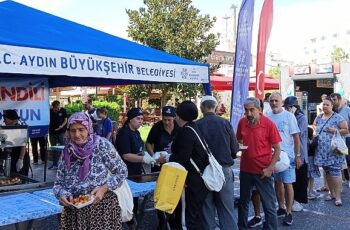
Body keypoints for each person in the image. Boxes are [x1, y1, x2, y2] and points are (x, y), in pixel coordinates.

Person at [53, 112, 127, 230]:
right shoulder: (67, 151)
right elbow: (58, 184)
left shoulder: (101, 145)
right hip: (74, 213)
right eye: (73, 130)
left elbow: (122, 171)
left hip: (102, 210)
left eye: (81, 129)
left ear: (89, 128)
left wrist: (104, 188)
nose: (77, 135)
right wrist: (61, 194)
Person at [236, 97, 281, 230]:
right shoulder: (242, 122)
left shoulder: (268, 124)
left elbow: (277, 149)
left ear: (259, 110)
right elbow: (238, 140)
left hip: (263, 170)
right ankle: (242, 227)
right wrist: (238, 146)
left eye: (252, 110)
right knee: (243, 202)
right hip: (245, 169)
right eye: (246, 110)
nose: (248, 114)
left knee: (269, 205)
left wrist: (270, 168)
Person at [196, 95, 239, 230]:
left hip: (204, 172)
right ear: (215, 107)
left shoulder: (197, 125)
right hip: (224, 169)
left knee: (207, 209)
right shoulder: (225, 123)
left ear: (202, 108)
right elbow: (235, 149)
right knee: (227, 210)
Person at [166, 100, 209, 229]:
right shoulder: (194, 127)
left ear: (179, 116)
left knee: (187, 218)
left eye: (176, 115)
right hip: (200, 179)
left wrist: (167, 157)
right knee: (196, 216)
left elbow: (182, 158)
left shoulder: (186, 132)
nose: (175, 118)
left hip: (190, 181)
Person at [114, 108, 155, 229]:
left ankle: (133, 221)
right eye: (138, 119)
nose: (141, 121)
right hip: (125, 173)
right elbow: (126, 155)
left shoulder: (136, 133)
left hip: (136, 171)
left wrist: (143, 155)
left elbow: (138, 151)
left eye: (142, 119)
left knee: (134, 201)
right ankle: (125, 224)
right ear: (130, 119)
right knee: (125, 200)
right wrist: (143, 159)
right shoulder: (123, 133)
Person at [267, 92, 301, 226]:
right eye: (272, 101)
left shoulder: (289, 116)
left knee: (288, 183)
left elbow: (296, 137)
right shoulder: (267, 117)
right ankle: (281, 207)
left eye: (276, 100)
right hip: (273, 155)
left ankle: (289, 212)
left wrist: (298, 155)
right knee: (278, 182)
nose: (274, 103)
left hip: (288, 156)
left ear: (281, 102)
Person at [313, 97, 348, 206]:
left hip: (334, 151)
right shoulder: (319, 117)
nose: (324, 106)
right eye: (323, 104)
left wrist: (335, 130)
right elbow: (314, 125)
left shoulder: (338, 117)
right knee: (327, 172)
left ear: (332, 106)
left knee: (336, 173)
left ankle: (338, 198)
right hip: (322, 151)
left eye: (327, 104)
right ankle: (331, 193)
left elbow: (346, 130)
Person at [283, 96, 309, 212]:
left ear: (294, 107)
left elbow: (298, 133)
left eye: (289, 107)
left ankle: (297, 201)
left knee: (300, 178)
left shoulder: (301, 117)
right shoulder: (286, 116)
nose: (287, 109)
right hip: (289, 151)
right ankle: (289, 200)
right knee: (290, 178)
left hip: (300, 152)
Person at [146, 106, 179, 172]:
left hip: (174, 163)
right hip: (159, 163)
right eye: (164, 119)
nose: (166, 122)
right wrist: (154, 157)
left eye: (169, 120)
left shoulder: (178, 127)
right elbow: (148, 143)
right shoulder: (157, 127)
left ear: (174, 118)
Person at [0, 110, 30, 176]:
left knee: (20, 180)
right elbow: (4, 144)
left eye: (5, 119)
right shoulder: (6, 129)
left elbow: (23, 145)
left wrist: (20, 159)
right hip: (11, 157)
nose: (4, 121)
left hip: (20, 157)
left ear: (11, 119)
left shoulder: (20, 129)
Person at [330, 93, 350, 186]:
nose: (333, 101)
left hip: (347, 137)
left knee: (348, 159)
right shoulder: (332, 111)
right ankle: (342, 179)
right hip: (336, 139)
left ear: (339, 99)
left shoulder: (347, 110)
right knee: (339, 159)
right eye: (332, 100)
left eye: (335, 99)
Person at [49, 100, 68, 170]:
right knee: (54, 149)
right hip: (52, 133)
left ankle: (64, 164)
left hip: (61, 132)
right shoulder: (50, 111)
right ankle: (54, 164)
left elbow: (66, 120)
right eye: (56, 107)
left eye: (59, 106)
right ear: (53, 107)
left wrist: (62, 126)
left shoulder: (63, 110)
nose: (58, 108)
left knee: (63, 148)